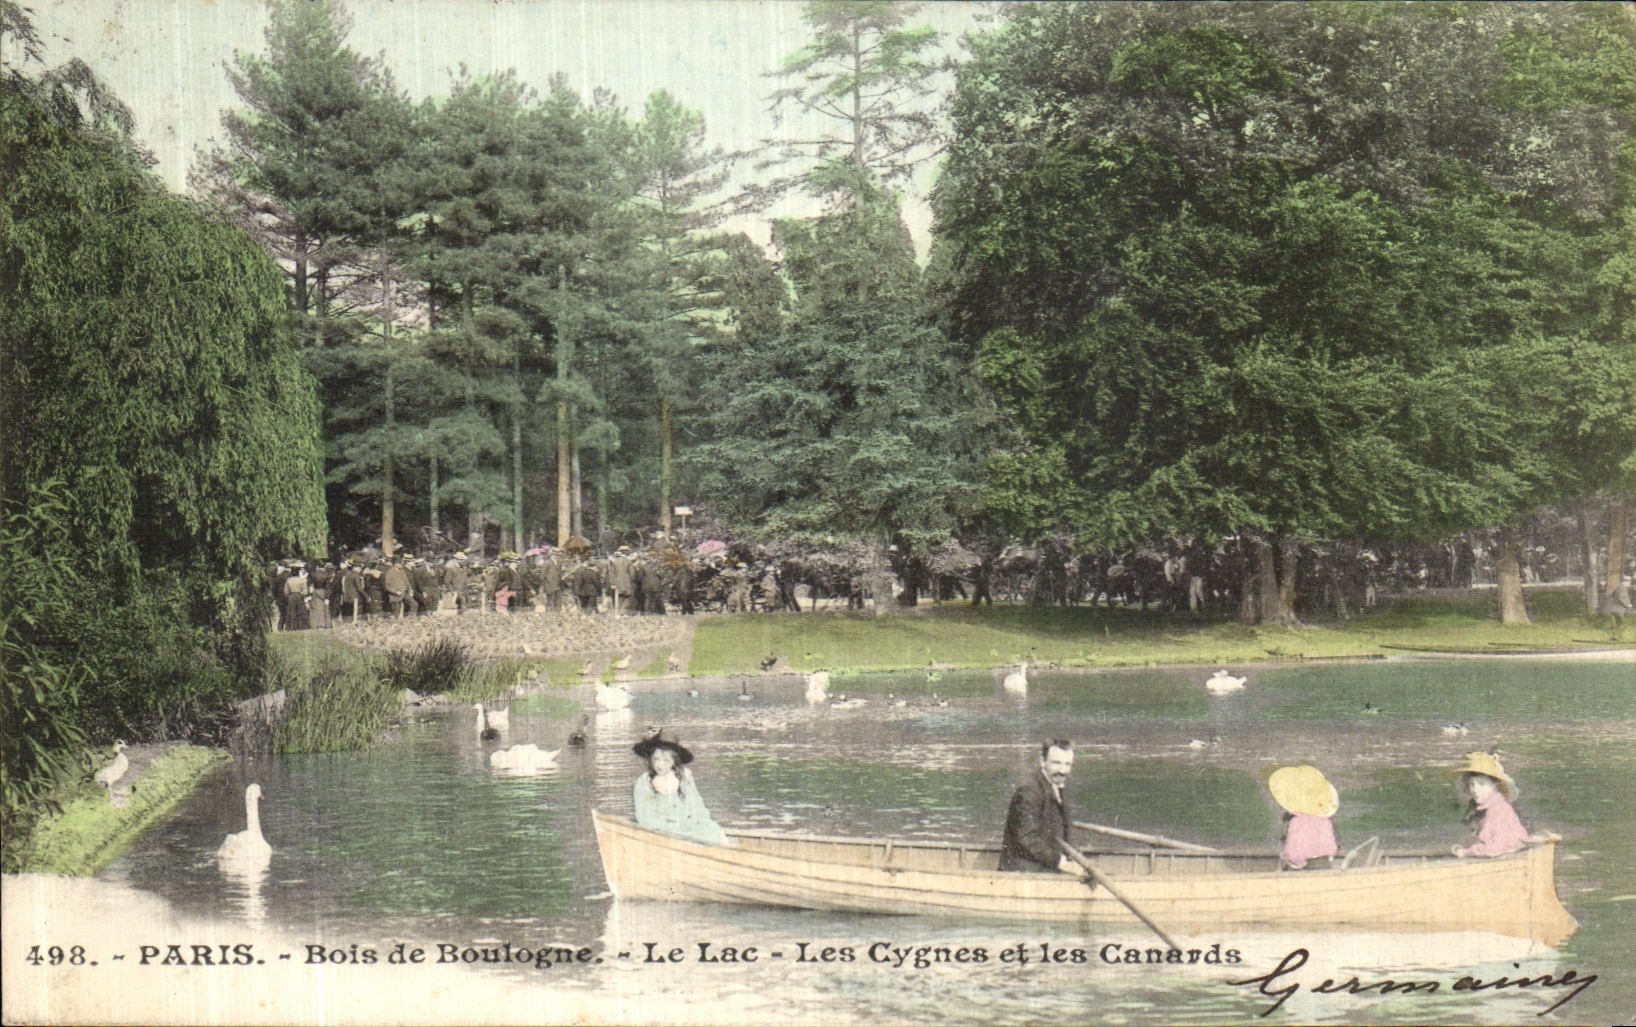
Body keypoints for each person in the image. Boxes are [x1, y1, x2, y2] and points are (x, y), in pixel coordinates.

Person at [631, 731, 728, 846]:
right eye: (656, 759)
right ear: (650, 759)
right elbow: (646, 818)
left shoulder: (684, 778)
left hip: (689, 828)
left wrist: (704, 827)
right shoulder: (644, 783)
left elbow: (698, 808)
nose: (660, 765)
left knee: (715, 833)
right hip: (663, 832)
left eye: (666, 760)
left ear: (674, 761)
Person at [999, 739, 1081, 874]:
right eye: (1056, 763)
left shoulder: (1057, 786)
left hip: (1046, 866)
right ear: (1042, 761)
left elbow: (1064, 833)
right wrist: (1061, 863)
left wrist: (1076, 858)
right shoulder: (1029, 791)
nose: (1062, 770)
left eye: (1067, 764)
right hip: (1024, 872)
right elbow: (1027, 839)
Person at [1448, 752, 1531, 858]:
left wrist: (1466, 852)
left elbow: (1494, 848)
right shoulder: (1487, 806)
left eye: (1482, 784)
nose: (1475, 790)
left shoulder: (1498, 809)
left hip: (1505, 857)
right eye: (1471, 784)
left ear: (1495, 786)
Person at [1264, 763, 1340, 869]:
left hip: (1305, 866)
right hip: (1324, 863)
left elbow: (1295, 851)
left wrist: (1291, 861)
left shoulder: (1297, 822)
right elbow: (1331, 846)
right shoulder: (1325, 820)